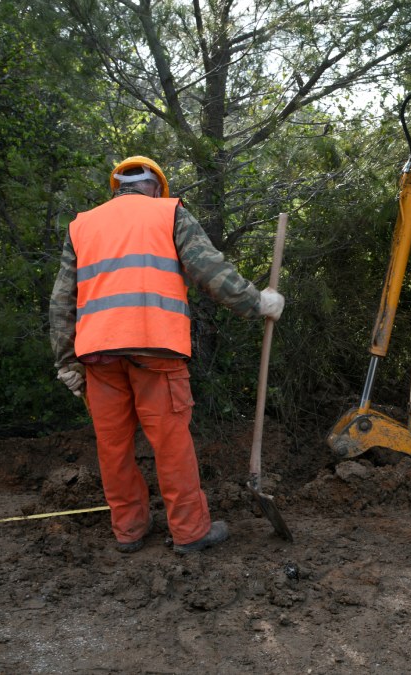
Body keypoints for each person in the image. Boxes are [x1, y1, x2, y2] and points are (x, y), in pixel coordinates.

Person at [49, 155, 285, 554]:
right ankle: (190, 531)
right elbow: (207, 269)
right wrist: (256, 302)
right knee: (171, 443)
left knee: (114, 446)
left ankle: (128, 530)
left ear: (117, 188)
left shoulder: (83, 224)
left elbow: (61, 300)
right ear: (156, 187)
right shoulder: (168, 213)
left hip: (98, 356)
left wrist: (65, 362)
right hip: (155, 350)